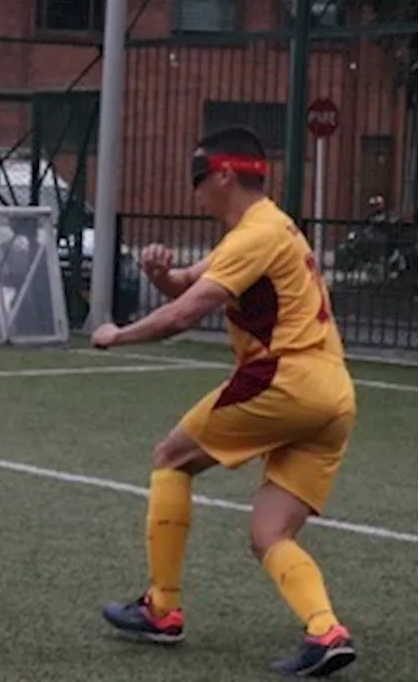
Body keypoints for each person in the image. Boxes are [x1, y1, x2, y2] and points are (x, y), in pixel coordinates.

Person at [90, 126, 357, 677]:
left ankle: (162, 609)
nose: (195, 193)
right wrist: (162, 274)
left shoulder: (255, 234)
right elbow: (189, 286)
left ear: (225, 174)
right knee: (269, 534)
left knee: (171, 458)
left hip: (283, 378)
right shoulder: (265, 230)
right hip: (333, 394)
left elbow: (188, 314)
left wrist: (120, 334)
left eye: (197, 180)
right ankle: (326, 631)